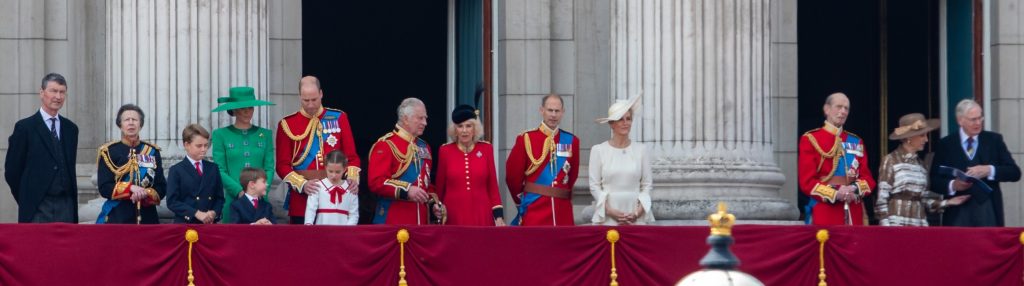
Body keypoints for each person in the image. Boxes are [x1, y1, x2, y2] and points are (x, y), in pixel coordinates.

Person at [275, 76, 361, 224]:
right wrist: (302, 185)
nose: (310, 105)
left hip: (336, 197)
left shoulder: (339, 118)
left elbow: (351, 157)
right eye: (305, 100)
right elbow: (282, 165)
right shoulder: (287, 124)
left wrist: (352, 177)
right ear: (299, 97)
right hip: (304, 197)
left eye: (314, 99)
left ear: (321, 93)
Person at [929, 99, 1021, 226]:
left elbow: (1015, 173)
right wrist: (953, 185)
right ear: (960, 121)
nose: (978, 123)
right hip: (957, 213)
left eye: (980, 118)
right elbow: (933, 181)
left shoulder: (994, 140)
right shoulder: (946, 144)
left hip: (988, 211)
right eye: (973, 119)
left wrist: (989, 170)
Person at [5, 73, 80, 223]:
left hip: (66, 205)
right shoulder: (25, 127)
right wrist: (28, 198)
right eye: (53, 91)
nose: (58, 96)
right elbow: (12, 171)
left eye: (62, 92)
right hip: (37, 206)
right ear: (41, 93)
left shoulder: (71, 129)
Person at [875, 113, 969, 226]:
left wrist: (948, 202)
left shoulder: (921, 165)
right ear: (909, 137)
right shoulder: (890, 160)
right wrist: (886, 228)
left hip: (919, 225)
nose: (926, 140)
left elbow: (924, 200)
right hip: (896, 225)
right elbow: (881, 200)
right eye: (922, 135)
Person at [797, 92, 876, 225]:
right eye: (839, 107)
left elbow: (868, 179)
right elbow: (807, 182)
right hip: (826, 210)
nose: (843, 111)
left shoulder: (856, 141)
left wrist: (854, 189)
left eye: (846, 108)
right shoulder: (810, 139)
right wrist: (835, 193)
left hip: (854, 210)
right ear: (826, 109)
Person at [505, 94, 580, 226]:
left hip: (562, 211)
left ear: (563, 112)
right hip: (535, 209)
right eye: (550, 110)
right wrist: (522, 202)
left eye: (557, 111)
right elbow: (513, 177)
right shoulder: (526, 139)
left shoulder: (571, 141)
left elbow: (572, 176)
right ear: (542, 110)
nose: (553, 115)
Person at [368, 97, 445, 225]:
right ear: (405, 119)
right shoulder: (386, 145)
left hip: (421, 224)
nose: (425, 123)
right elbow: (376, 182)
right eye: (420, 118)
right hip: (393, 221)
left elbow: (426, 185)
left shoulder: (424, 147)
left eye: (425, 118)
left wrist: (434, 205)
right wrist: (407, 190)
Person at [211, 86, 275, 223]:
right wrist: (239, 191)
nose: (247, 112)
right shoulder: (220, 135)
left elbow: (269, 167)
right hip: (234, 199)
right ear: (234, 110)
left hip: (261, 201)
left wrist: (263, 189)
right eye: (242, 108)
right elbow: (220, 169)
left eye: (250, 107)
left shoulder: (265, 135)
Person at [435, 104, 504, 226]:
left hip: (482, 214)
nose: (464, 130)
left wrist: (498, 216)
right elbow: (440, 187)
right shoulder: (445, 151)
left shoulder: (486, 149)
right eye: (460, 126)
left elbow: (493, 187)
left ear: (475, 128)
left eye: (468, 126)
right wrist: (437, 210)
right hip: (453, 215)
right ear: (454, 130)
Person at [589, 95, 654, 225]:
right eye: (620, 119)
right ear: (611, 124)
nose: (625, 123)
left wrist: (638, 212)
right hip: (608, 216)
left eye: (628, 119)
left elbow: (647, 185)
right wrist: (609, 211)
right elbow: (594, 185)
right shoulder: (598, 150)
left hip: (636, 215)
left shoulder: (641, 150)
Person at [96, 104, 166, 224]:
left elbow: (161, 187)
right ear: (120, 124)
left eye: (135, 119)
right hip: (118, 217)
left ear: (140, 124)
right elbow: (104, 187)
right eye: (126, 120)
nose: (131, 123)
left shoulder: (152, 151)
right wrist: (130, 189)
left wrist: (145, 193)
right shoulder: (109, 151)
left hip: (147, 217)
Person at [166, 124, 225, 224]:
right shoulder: (176, 170)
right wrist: (195, 213)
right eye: (199, 146)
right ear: (186, 145)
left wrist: (214, 212)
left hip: (209, 224)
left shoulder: (213, 168)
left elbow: (219, 198)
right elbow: (172, 202)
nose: (203, 149)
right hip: (186, 224)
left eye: (206, 145)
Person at [305, 150, 359, 225]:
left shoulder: (351, 189)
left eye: (337, 172)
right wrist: (308, 225)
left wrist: (347, 232)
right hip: (321, 231)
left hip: (343, 233)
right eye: (330, 171)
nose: (333, 175)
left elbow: (353, 215)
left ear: (344, 169)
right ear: (325, 167)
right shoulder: (318, 186)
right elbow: (310, 210)